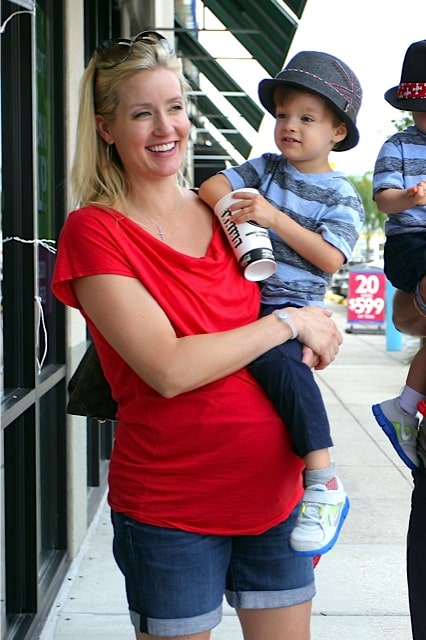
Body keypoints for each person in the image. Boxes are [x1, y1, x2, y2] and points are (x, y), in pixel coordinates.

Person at [51, 32, 343, 640]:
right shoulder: (95, 230)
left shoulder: (227, 210)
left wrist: (313, 331)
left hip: (277, 496)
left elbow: (290, 297)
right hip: (173, 509)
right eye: (142, 113)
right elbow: (168, 367)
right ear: (106, 128)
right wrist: (287, 325)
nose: (167, 127)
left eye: (176, 107)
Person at [199, 50, 364, 558]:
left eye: (307, 119)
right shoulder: (264, 167)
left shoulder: (341, 195)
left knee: (280, 368)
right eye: (284, 115)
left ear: (337, 132)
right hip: (243, 295)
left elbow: (330, 258)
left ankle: (323, 479)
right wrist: (240, 218)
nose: (290, 126)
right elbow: (211, 185)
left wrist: (270, 217)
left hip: (289, 309)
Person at [371, 40, 426, 471]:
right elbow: (383, 201)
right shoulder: (399, 145)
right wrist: (408, 198)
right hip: (412, 242)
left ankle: (405, 405)